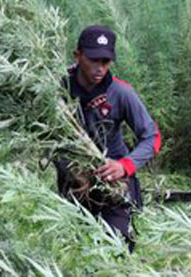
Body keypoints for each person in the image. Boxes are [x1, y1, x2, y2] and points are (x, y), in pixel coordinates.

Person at [56, 25, 161, 252]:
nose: (100, 68)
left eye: (106, 61)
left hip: (114, 188)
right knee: (77, 254)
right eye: (94, 60)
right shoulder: (55, 89)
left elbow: (152, 136)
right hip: (73, 187)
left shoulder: (121, 93)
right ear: (78, 55)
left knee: (117, 251)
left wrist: (125, 166)